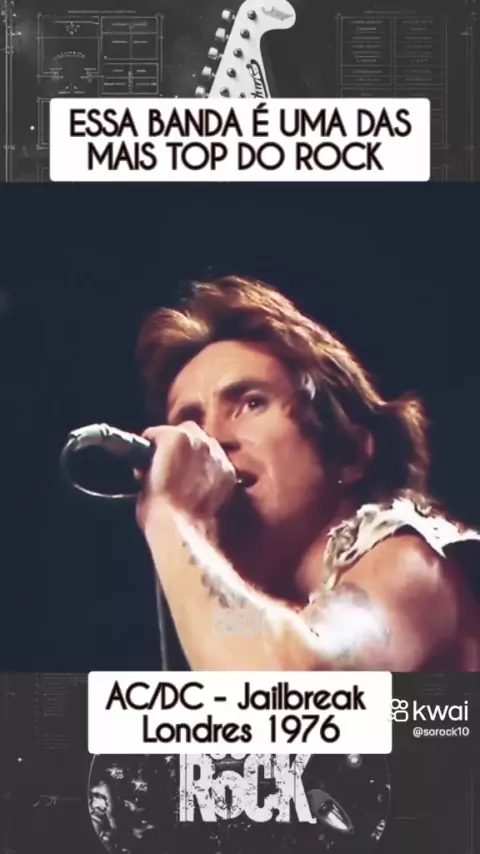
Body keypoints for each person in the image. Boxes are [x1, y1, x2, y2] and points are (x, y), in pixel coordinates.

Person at [134, 276, 480, 672]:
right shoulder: (267, 622)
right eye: (190, 422)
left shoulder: (410, 568)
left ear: (349, 453)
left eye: (251, 403)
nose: (209, 439)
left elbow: (279, 693)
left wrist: (171, 516)